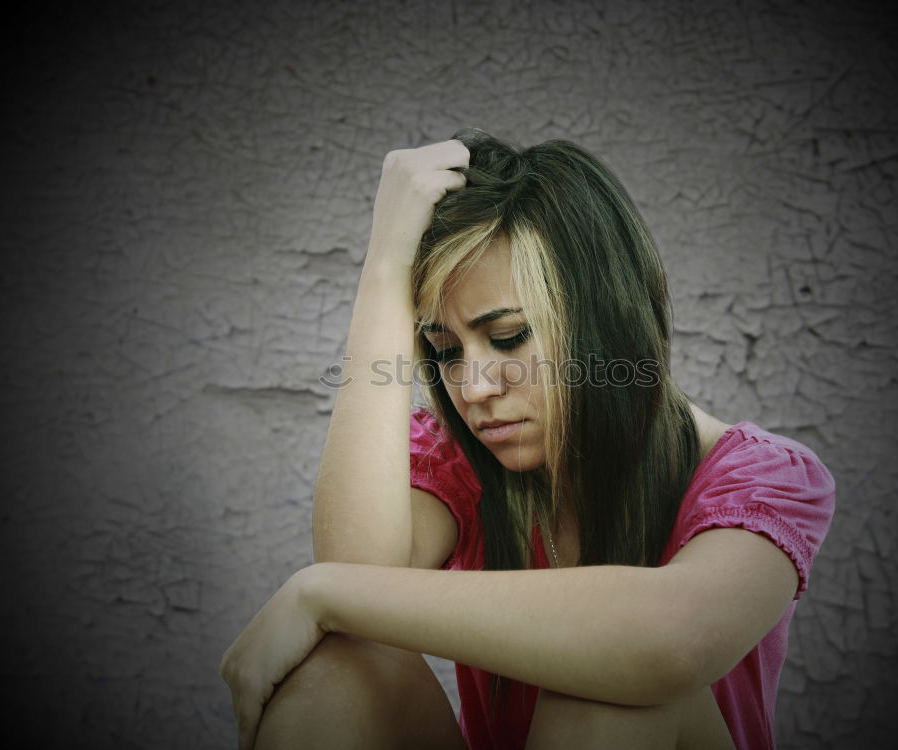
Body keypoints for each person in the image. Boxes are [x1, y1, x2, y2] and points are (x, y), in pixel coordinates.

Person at [219, 128, 836, 750]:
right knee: (335, 672)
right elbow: (361, 585)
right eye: (444, 351)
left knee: (606, 690)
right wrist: (385, 266)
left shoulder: (762, 479)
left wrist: (316, 590)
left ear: (607, 320)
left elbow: (672, 643)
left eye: (510, 336)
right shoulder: (455, 459)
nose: (474, 386)